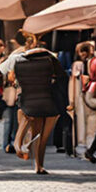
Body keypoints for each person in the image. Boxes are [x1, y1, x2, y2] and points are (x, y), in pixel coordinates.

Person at [11, 45, 66, 174]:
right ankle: (39, 165)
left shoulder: (20, 66)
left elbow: (15, 82)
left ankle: (25, 151)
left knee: (36, 134)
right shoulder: (49, 62)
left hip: (31, 104)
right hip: (50, 102)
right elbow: (62, 77)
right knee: (44, 138)